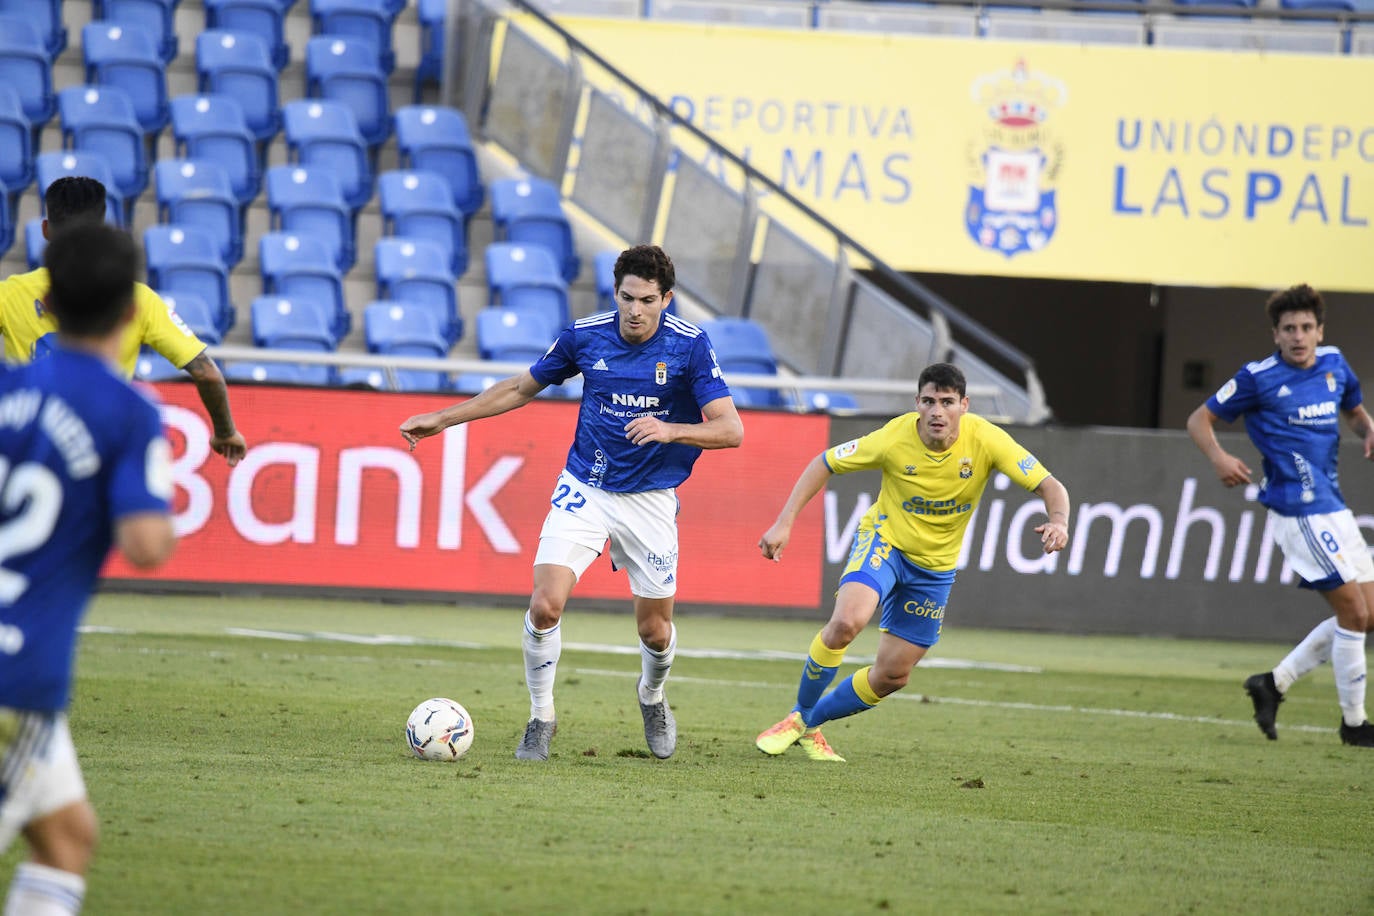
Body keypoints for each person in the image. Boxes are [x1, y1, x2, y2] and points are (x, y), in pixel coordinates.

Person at [399, 244, 744, 761]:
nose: (635, 310)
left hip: (650, 499)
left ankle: (652, 696)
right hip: (586, 487)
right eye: (627, 297)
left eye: (647, 300)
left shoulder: (689, 346)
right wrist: (444, 418)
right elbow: (520, 388)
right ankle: (541, 718)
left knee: (655, 631)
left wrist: (671, 429)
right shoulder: (585, 335)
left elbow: (731, 430)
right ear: (615, 292)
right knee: (544, 606)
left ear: (666, 299)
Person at [755, 362, 1070, 762]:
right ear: (917, 403)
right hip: (885, 543)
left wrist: (1059, 521)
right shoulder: (893, 437)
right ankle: (798, 715)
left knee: (893, 675)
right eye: (929, 401)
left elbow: (1050, 486)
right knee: (847, 622)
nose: (937, 411)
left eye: (947, 402)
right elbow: (825, 462)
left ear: (965, 405)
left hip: (934, 569)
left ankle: (807, 724)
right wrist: (784, 523)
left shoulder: (987, 439)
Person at [0, 222, 177, 915]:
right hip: (17, 675)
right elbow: (146, 544)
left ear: (46, 303)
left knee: (68, 839)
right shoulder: (127, 412)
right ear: (131, 311)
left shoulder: (8, 388)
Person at [1186, 284, 1374, 748]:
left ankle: (1273, 683)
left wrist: (1369, 428)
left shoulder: (1334, 364)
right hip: (1297, 510)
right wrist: (1219, 458)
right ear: (1276, 334)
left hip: (1334, 507)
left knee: (1368, 614)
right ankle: (1354, 724)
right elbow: (1199, 419)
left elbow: (1353, 411)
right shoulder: (1258, 378)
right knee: (1353, 613)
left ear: (1320, 331)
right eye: (1289, 328)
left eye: (1306, 327)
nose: (1298, 336)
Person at [0, 176, 247, 467]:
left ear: (45, 230)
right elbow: (207, 374)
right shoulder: (138, 299)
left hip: (26, 450)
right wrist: (225, 432)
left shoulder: (10, 294)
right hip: (101, 451)